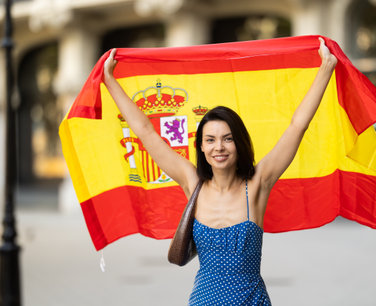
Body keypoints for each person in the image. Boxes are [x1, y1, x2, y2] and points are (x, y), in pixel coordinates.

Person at [103, 37, 337, 305]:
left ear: (239, 142)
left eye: (228, 138)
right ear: (201, 146)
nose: (219, 147)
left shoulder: (259, 182)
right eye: (211, 140)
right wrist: (111, 80)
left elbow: (297, 126)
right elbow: (146, 132)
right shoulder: (193, 182)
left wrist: (325, 69)